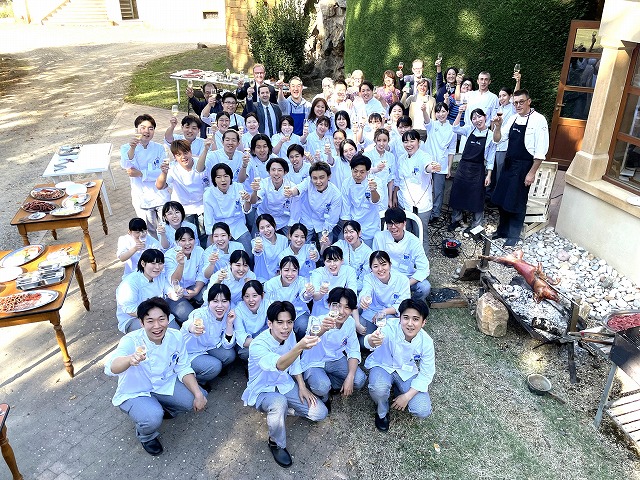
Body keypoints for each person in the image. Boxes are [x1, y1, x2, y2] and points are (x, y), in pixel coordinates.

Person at [105, 297, 207, 455]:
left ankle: (165, 407)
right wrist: (129, 359)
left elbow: (183, 367)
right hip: (136, 391)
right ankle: (146, 435)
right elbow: (111, 367)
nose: (157, 326)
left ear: (168, 318)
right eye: (150, 321)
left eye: (161, 319)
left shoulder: (175, 336)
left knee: (195, 398)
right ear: (141, 323)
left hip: (163, 383)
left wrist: (198, 394)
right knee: (152, 417)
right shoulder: (131, 340)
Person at [241, 301, 328, 468]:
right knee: (278, 403)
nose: (285, 327)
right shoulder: (258, 345)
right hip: (262, 391)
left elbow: (294, 362)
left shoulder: (290, 335)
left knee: (320, 413)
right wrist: (299, 347)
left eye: (289, 322)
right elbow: (280, 364)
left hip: (284, 384)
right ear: (270, 323)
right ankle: (276, 443)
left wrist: (302, 386)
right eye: (280, 322)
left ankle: (284, 411)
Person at [364, 298, 434, 431]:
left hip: (407, 372)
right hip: (383, 365)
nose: (410, 323)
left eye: (416, 319)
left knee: (422, 409)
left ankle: (399, 390)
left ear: (423, 322)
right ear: (399, 318)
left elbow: (427, 373)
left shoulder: (426, 342)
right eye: (406, 318)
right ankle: (382, 411)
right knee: (378, 389)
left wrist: (407, 396)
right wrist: (372, 340)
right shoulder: (389, 326)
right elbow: (370, 341)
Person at [492, 89, 549, 246]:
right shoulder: (513, 118)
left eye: (521, 102)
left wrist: (531, 173)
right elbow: (497, 139)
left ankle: (514, 236)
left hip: (524, 166)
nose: (518, 105)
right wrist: (498, 127)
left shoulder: (539, 120)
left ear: (529, 101)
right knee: (501, 199)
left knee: (517, 201)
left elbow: (541, 152)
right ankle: (502, 230)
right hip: (509, 163)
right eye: (515, 103)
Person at [301, 287, 367, 409]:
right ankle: (325, 396)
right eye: (337, 306)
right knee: (322, 387)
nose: (341, 311)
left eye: (347, 307)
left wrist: (350, 376)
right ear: (329, 305)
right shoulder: (317, 320)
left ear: (352, 310)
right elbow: (311, 336)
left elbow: (353, 350)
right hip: (314, 361)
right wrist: (323, 328)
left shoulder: (350, 323)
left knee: (359, 379)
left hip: (335, 359)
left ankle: (332, 385)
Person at [448, 107, 496, 233]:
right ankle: (456, 220)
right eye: (474, 118)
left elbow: (491, 157)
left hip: (478, 168)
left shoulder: (490, 135)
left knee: (477, 197)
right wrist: (460, 113)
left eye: (479, 116)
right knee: (457, 193)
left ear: (485, 117)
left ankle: (476, 225)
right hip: (463, 167)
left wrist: (489, 175)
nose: (477, 120)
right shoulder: (469, 129)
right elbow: (455, 128)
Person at [120, 114, 169, 237]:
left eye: (150, 128)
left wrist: (141, 173)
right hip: (142, 197)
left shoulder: (159, 148)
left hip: (160, 196)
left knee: (167, 229)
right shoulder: (126, 148)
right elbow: (127, 166)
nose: (146, 131)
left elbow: (162, 171)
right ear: (136, 129)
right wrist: (132, 148)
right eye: (143, 127)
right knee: (149, 232)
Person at [181, 284, 236, 387]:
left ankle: (208, 370)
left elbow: (227, 344)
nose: (220, 306)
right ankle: (195, 380)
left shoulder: (228, 315)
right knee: (215, 366)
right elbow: (188, 324)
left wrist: (229, 324)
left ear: (229, 302)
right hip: (191, 351)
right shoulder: (200, 314)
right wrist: (193, 328)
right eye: (215, 301)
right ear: (209, 302)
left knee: (229, 355)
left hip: (209, 347)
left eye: (224, 301)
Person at [393, 129, 440, 251]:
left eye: (412, 141)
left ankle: (423, 260)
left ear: (419, 142)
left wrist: (432, 167)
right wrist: (394, 197)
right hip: (404, 203)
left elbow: (427, 166)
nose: (409, 145)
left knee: (421, 235)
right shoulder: (401, 159)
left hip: (421, 204)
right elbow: (398, 180)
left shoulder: (424, 156)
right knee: (405, 232)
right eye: (405, 142)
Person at [372, 208, 431, 301]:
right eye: (390, 224)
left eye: (397, 223)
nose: (393, 227)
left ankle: (412, 304)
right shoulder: (379, 237)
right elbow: (374, 262)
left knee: (425, 287)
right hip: (386, 276)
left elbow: (424, 269)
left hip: (407, 277)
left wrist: (406, 284)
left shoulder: (413, 241)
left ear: (404, 223)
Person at [115, 249, 179, 333]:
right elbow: (130, 310)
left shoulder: (160, 276)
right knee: (160, 332)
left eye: (160, 263)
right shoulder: (130, 283)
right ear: (143, 263)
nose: (157, 267)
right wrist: (154, 316)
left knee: (175, 332)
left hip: (157, 313)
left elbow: (169, 291)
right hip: (134, 318)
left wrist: (176, 294)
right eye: (153, 263)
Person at [155, 140, 207, 236]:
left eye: (185, 152)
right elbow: (159, 186)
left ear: (190, 152)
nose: (183, 157)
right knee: (187, 236)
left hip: (202, 206)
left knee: (204, 235)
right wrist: (164, 173)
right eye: (179, 155)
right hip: (183, 209)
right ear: (175, 157)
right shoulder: (172, 168)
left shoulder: (201, 162)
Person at [358, 250, 411, 340]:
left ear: (390, 265)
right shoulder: (368, 278)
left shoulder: (402, 280)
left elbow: (403, 304)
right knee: (365, 342)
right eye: (375, 266)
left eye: (383, 264)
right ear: (371, 268)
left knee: (386, 338)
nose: (380, 269)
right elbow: (366, 291)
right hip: (371, 314)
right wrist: (364, 299)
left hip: (390, 315)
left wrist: (383, 312)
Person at [202, 163, 253, 254]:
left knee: (248, 253)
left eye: (226, 176)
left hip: (237, 225)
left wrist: (247, 201)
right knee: (210, 254)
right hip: (218, 227)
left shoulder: (238, 187)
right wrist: (212, 237)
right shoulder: (208, 194)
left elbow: (246, 210)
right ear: (214, 179)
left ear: (230, 177)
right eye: (218, 177)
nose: (223, 180)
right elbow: (208, 220)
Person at [287, 161, 342, 244]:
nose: (318, 182)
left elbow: (332, 219)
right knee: (299, 244)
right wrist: (291, 192)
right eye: (315, 178)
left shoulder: (336, 194)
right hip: (307, 219)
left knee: (326, 245)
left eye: (321, 177)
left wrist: (324, 235)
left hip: (324, 223)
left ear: (329, 176)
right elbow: (298, 189)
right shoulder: (308, 181)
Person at [264, 256, 313, 341]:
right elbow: (268, 305)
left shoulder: (302, 281)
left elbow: (305, 296)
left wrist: (308, 293)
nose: (290, 274)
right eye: (286, 270)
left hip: (298, 313)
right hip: (278, 315)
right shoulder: (271, 284)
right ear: (280, 271)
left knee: (304, 327)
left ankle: (300, 346)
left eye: (294, 270)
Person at [164, 227, 207, 322]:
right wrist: (181, 264)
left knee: (209, 295)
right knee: (186, 314)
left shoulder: (199, 251)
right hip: (175, 293)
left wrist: (196, 290)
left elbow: (202, 274)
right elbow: (173, 281)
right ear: (176, 242)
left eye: (190, 239)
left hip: (193, 286)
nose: (187, 243)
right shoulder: (169, 256)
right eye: (183, 240)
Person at [423, 102, 456, 224]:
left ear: (448, 112)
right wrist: (424, 110)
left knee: (438, 190)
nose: (441, 114)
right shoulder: (432, 125)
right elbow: (427, 121)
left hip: (441, 164)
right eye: (438, 112)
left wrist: (449, 168)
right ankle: (424, 210)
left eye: (443, 111)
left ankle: (435, 214)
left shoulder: (452, 129)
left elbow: (451, 150)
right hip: (427, 162)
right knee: (425, 188)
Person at [340, 155, 382, 246]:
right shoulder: (346, 183)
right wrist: (348, 231)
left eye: (362, 172)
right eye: (355, 171)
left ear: (368, 171)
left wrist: (373, 190)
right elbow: (345, 210)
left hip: (370, 226)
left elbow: (376, 201)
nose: (358, 175)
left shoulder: (375, 181)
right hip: (353, 225)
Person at [323, 220, 372, 293]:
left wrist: (350, 287)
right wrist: (325, 245)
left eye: (351, 231)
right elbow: (327, 254)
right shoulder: (341, 244)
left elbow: (364, 278)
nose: (348, 235)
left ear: (359, 233)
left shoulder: (368, 253)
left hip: (357, 289)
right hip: (338, 284)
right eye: (345, 232)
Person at [310, 246, 358, 317]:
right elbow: (315, 297)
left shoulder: (349, 271)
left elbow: (352, 294)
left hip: (342, 309)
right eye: (328, 261)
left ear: (342, 261)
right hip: (321, 310)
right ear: (324, 262)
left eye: (335, 260)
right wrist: (321, 293)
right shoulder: (317, 273)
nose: (332, 264)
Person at [250, 158, 294, 234]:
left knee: (291, 238)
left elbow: (295, 209)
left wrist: (291, 226)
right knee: (256, 238)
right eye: (273, 170)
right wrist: (254, 191)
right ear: (268, 172)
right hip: (264, 216)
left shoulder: (291, 186)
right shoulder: (264, 183)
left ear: (285, 172)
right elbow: (253, 201)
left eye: (279, 170)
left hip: (283, 219)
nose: (276, 173)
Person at [234, 280, 270, 362]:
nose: (251, 300)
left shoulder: (268, 305)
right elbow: (241, 338)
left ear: (262, 295)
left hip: (264, 339)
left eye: (254, 296)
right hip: (247, 344)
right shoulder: (238, 310)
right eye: (247, 296)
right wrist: (263, 344)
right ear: (243, 298)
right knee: (247, 353)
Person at [252, 213, 289, 282]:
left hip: (279, 278)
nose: (266, 230)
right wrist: (257, 249)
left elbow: (285, 260)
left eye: (268, 226)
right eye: (262, 228)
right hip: (262, 279)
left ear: (274, 225)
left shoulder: (283, 240)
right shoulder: (256, 241)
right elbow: (257, 251)